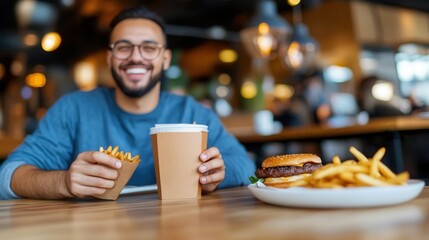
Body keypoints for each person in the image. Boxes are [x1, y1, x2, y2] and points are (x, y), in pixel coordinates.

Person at [0, 6, 256, 200]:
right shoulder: (74, 109)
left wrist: (216, 175)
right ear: (110, 58)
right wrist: (63, 183)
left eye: (149, 48)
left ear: (165, 59)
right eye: (124, 47)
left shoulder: (191, 112)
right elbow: (8, 176)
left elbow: (245, 166)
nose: (136, 57)